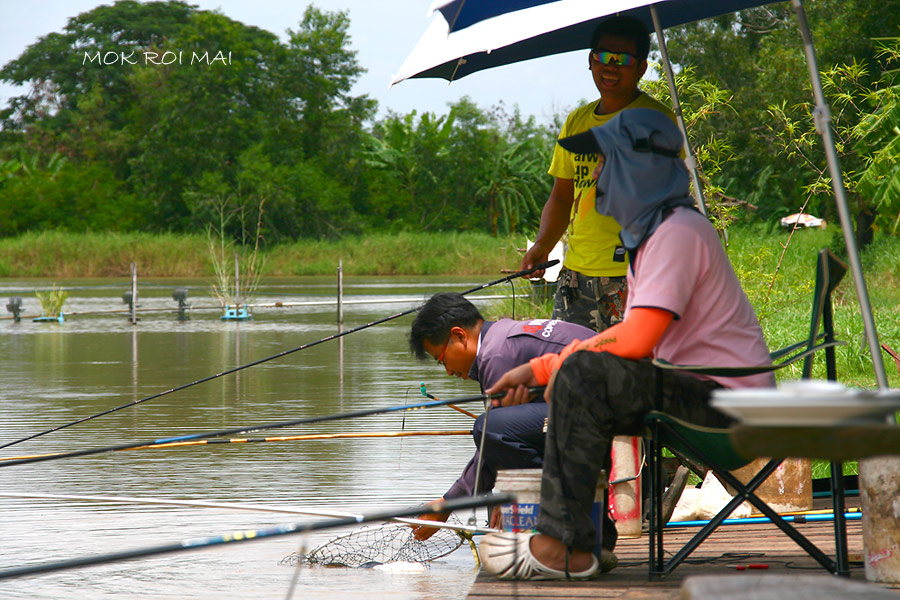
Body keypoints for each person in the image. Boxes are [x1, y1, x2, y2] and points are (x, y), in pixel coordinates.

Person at [479, 108, 775, 580]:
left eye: (602, 164)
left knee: (582, 376)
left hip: (730, 409)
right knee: (579, 379)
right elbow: (626, 341)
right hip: (697, 393)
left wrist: (547, 369)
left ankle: (560, 544)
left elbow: (636, 340)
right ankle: (589, 543)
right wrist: (544, 376)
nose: (594, 178)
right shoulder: (653, 236)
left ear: (637, 169)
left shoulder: (677, 233)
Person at [407, 292, 617, 562]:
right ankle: (596, 534)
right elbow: (503, 444)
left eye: (441, 358)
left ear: (459, 335)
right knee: (495, 428)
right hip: (601, 404)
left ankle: (567, 527)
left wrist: (448, 504)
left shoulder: (496, 354)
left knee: (488, 427)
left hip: (605, 404)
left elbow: (493, 438)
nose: (447, 370)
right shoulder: (500, 338)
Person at [520, 16, 677, 333]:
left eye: (622, 60)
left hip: (634, 274)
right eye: (603, 57)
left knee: (630, 373)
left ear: (641, 69)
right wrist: (541, 246)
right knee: (567, 368)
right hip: (575, 276)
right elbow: (562, 198)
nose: (610, 67)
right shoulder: (576, 122)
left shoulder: (656, 120)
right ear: (590, 61)